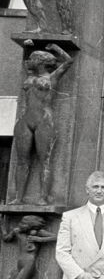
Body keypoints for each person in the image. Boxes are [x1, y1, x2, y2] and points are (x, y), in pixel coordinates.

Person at [10, 44, 73, 206]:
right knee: (22, 161)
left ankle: (43, 197)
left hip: (44, 121)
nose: (29, 61)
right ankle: (19, 197)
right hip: (25, 120)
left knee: (44, 160)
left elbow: (68, 61)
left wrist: (55, 47)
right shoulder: (29, 76)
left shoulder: (52, 77)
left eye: (32, 59)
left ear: (40, 61)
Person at [1, 215, 56, 279]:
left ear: (31, 225)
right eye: (21, 223)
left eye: (23, 224)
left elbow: (56, 237)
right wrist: (2, 226)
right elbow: (6, 238)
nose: (20, 225)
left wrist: (39, 239)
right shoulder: (17, 231)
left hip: (28, 264)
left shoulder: (38, 233)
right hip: (19, 265)